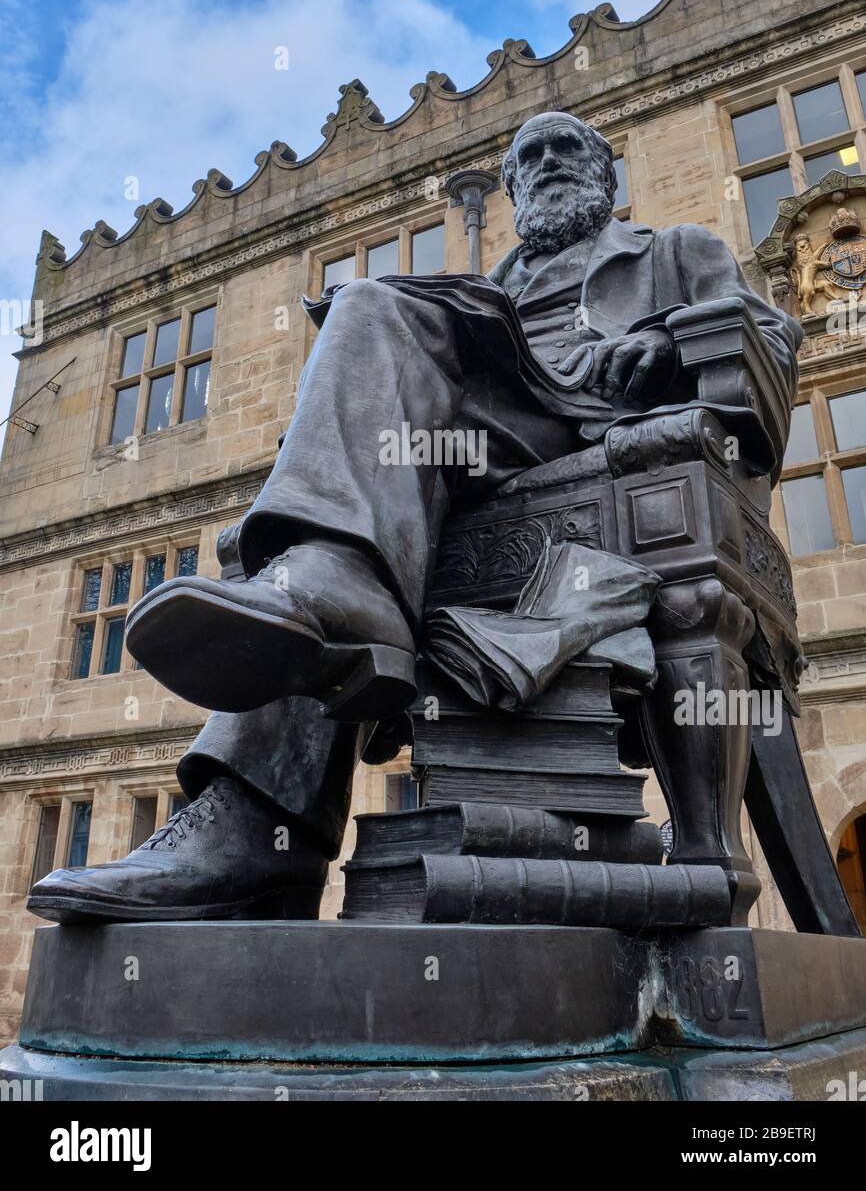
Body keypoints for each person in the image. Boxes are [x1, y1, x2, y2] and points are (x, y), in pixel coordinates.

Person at [28, 111, 800, 923]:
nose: (545, 163)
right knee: (365, 324)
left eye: (565, 148)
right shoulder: (486, 292)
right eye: (526, 156)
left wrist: (669, 342)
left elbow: (774, 341)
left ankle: (331, 596)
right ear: (510, 189)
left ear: (607, 176)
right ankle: (259, 835)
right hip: (477, 448)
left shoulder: (675, 252)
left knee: (372, 313)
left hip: (599, 430)